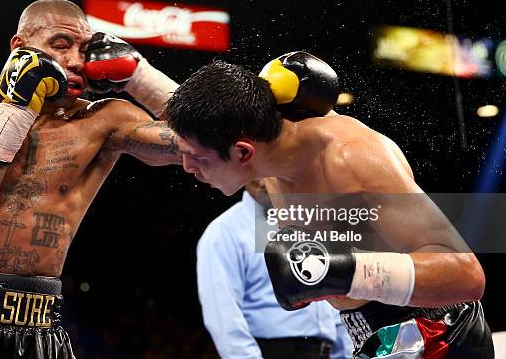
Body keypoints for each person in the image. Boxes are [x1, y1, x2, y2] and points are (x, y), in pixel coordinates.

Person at [0, 0, 182, 358]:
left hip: (37, 327)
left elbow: (201, 145)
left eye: (85, 48)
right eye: (61, 45)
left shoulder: (105, 120)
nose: (77, 61)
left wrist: (142, 79)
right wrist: (17, 110)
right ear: (20, 47)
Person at [165, 52, 494, 358]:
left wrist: (342, 271)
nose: (186, 166)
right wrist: (136, 74)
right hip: (373, 331)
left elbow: (467, 276)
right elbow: (196, 132)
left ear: (242, 153)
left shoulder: (349, 159)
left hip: (437, 331)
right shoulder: (262, 150)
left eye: (194, 158)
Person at [197, 179, 353, 358]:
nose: (265, 181)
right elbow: (223, 315)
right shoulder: (224, 231)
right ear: (244, 172)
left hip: (326, 351)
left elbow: (333, 298)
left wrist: (347, 354)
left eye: (270, 171)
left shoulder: (310, 222)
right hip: (270, 351)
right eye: (258, 172)